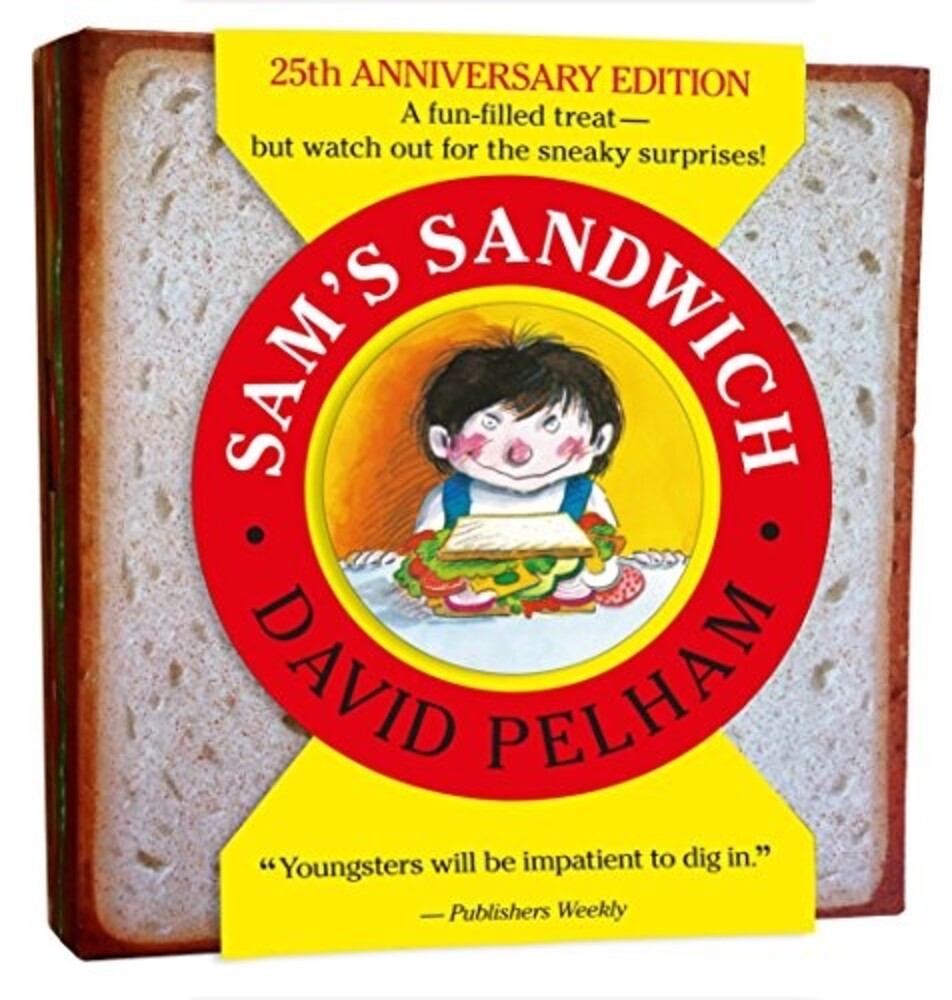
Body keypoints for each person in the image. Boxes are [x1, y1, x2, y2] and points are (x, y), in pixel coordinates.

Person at [414, 329, 624, 531]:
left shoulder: (588, 499)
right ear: (442, 441)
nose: (519, 455)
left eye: (551, 425)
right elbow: (422, 549)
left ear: (599, 440)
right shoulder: (445, 500)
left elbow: (607, 550)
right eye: (490, 424)